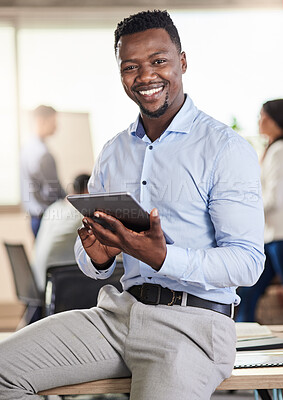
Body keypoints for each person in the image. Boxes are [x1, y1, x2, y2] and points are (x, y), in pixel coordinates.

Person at [0, 10, 265, 399]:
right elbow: (91, 261)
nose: (145, 76)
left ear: (183, 63)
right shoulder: (113, 151)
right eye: (131, 66)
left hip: (193, 326)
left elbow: (247, 263)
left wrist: (164, 257)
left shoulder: (224, 149)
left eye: (159, 61)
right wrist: (101, 256)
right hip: (118, 313)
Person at [236, 99, 283, 322]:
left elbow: (275, 197)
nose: (259, 120)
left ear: (276, 119)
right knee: (248, 291)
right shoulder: (271, 148)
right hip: (271, 237)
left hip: (279, 237)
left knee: (249, 292)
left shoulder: (279, 150)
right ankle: (242, 338)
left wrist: (242, 213)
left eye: (262, 115)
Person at [32, 173, 90, 292]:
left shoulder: (53, 208)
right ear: (87, 190)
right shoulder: (81, 212)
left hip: (36, 278)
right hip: (56, 280)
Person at [20, 105, 66, 237]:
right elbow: (52, 190)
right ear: (41, 121)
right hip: (46, 218)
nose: (56, 127)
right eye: (54, 122)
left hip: (33, 217)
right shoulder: (42, 153)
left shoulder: (26, 148)